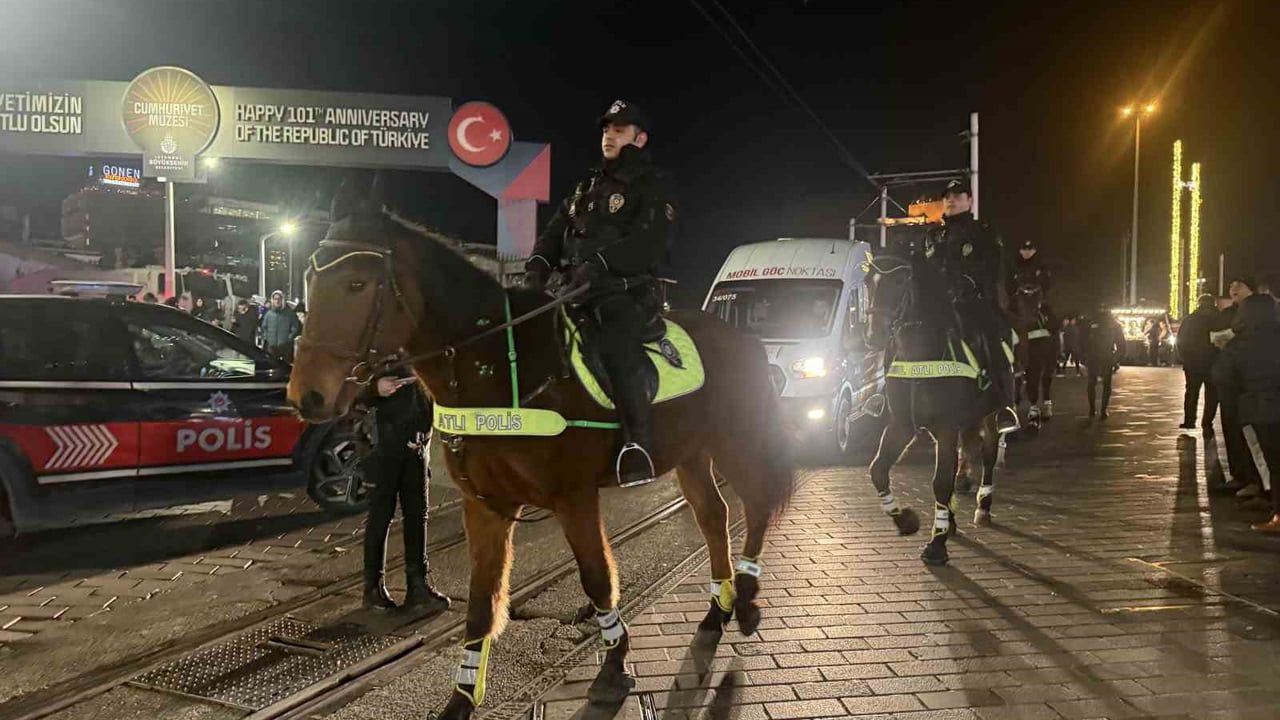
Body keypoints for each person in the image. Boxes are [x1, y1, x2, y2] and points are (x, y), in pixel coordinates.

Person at [523, 100, 676, 487]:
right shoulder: (586, 185)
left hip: (622, 295)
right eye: (607, 128)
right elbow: (557, 230)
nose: (609, 134)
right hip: (572, 293)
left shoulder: (650, 184)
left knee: (615, 346)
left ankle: (637, 446)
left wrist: (601, 266)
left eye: (620, 130)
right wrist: (538, 265)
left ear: (639, 139)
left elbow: (652, 241)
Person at [923, 178, 1018, 434]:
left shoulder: (983, 232)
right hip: (937, 306)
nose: (950, 200)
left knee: (993, 339)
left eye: (957, 195)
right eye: (947, 196)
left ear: (970, 200)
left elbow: (993, 267)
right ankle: (897, 399)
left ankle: (1003, 407)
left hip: (972, 304)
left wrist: (969, 283)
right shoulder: (933, 235)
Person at [359, 372, 450, 611]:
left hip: (417, 445)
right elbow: (349, 386)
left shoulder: (419, 345)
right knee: (381, 515)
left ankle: (417, 586)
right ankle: (372, 587)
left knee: (417, 515)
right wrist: (375, 387)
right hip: (384, 447)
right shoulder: (376, 344)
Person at [1212, 287, 1280, 532]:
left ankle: (1278, 516)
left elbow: (1222, 375)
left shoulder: (1241, 342)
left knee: (1274, 464)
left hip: (1261, 411)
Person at [1212, 276, 1264, 498]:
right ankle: (1240, 475)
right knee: (1231, 429)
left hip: (1249, 383)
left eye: (1239, 284)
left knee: (1251, 433)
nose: (1233, 288)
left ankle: (1256, 481)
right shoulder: (1227, 314)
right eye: (1231, 285)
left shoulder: (1259, 313)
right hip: (1227, 380)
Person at [1179, 294, 1220, 431]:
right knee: (1212, 394)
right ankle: (1207, 422)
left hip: (1193, 363)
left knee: (1191, 391)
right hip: (1215, 363)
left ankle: (1189, 420)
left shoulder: (1190, 319)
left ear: (1199, 303)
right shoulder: (1219, 318)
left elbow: (1181, 340)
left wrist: (1184, 358)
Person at [1082, 304, 1124, 418]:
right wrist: (1115, 359)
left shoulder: (1090, 323)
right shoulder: (1114, 325)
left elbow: (1083, 341)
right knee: (1106, 384)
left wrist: (1083, 357)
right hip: (1106, 357)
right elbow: (1121, 345)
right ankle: (1103, 410)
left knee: (1092, 383)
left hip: (1093, 356)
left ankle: (1092, 410)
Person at [261, 290, 302, 363]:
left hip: (286, 346)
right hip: (272, 346)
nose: (277, 301)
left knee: (286, 368)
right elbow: (264, 327)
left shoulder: (290, 314)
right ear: (272, 300)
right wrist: (267, 337)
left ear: (282, 300)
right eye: (275, 299)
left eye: (279, 299)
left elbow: (295, 327)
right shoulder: (269, 314)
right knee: (272, 365)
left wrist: (289, 338)